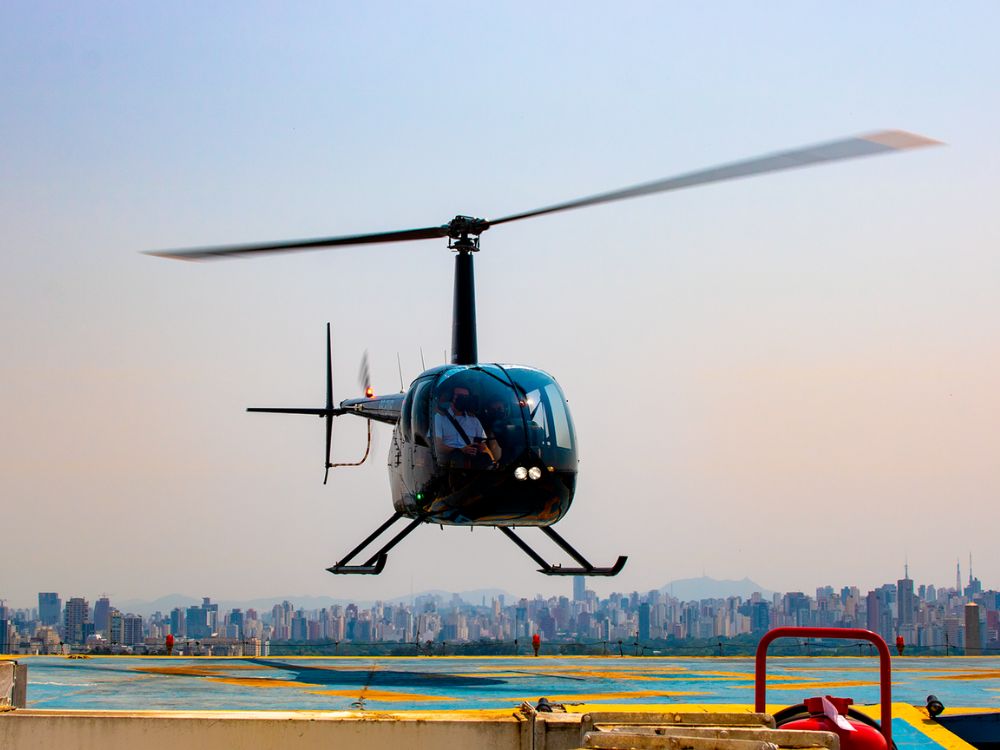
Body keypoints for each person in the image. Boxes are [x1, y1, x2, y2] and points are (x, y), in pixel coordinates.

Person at [433, 385, 491, 468]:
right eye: (460, 396)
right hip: (448, 464)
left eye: (466, 397)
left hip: (471, 462)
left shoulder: (474, 420)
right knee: (457, 457)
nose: (463, 399)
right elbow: (437, 446)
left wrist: (478, 447)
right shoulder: (439, 418)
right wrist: (460, 450)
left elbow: (483, 445)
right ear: (451, 398)